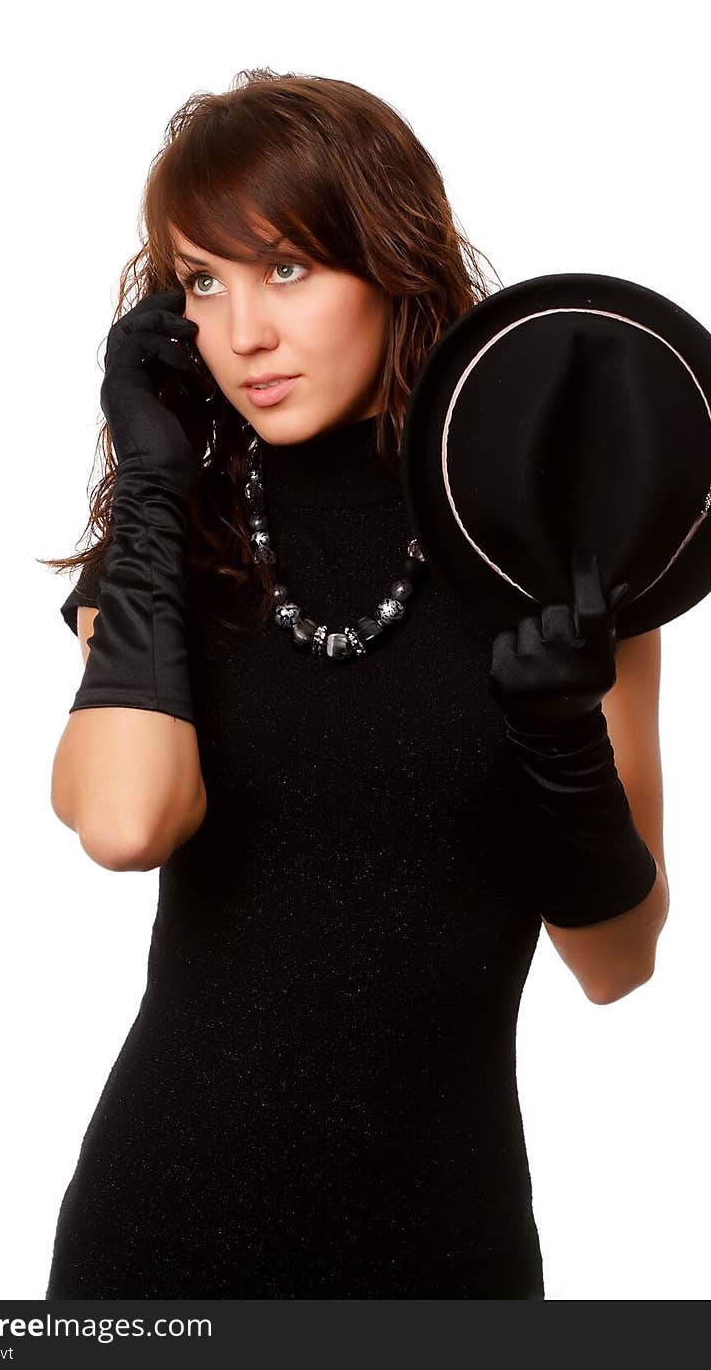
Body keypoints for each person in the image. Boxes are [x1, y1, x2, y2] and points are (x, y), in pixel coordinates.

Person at [41, 68, 668, 1299]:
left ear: (392, 259)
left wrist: (560, 742)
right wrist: (156, 482)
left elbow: (618, 959)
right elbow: (124, 823)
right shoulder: (175, 542)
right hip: (161, 1243)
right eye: (200, 282)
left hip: (452, 1250)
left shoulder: (553, 552)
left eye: (284, 268)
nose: (242, 334)